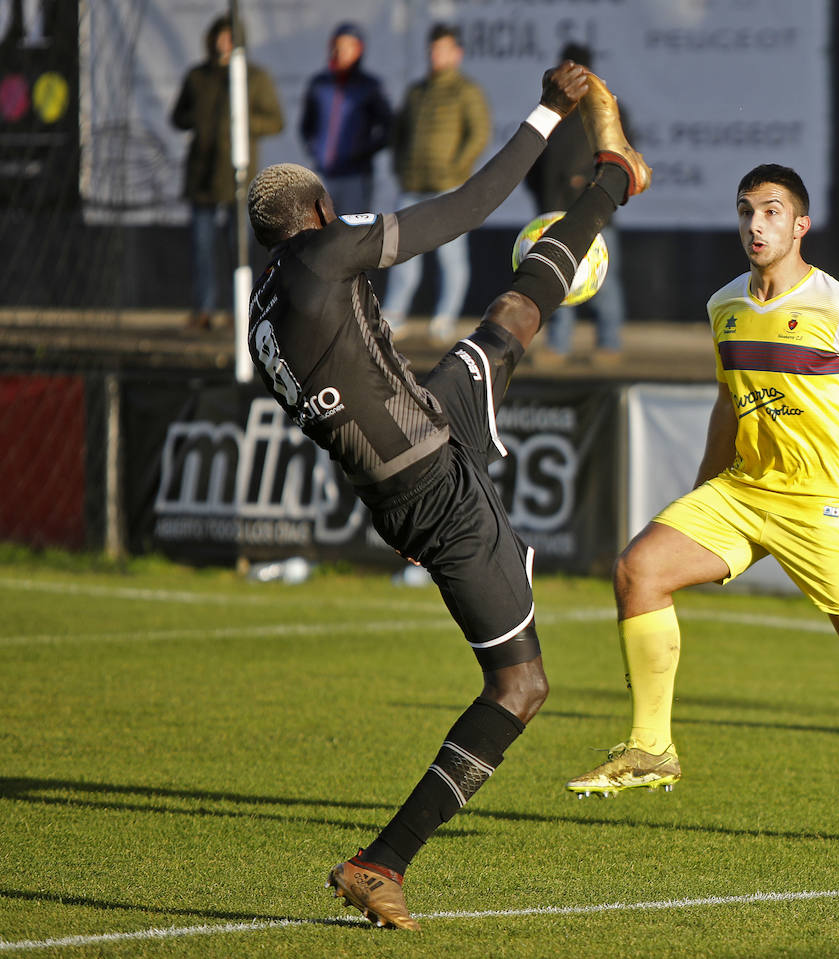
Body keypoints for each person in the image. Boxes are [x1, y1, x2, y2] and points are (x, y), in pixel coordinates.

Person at [245, 65, 649, 930]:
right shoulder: (325, 251)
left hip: (419, 436)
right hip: (433, 488)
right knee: (520, 686)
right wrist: (548, 111)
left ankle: (613, 176)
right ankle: (379, 863)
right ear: (319, 217)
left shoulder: (261, 312)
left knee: (510, 316)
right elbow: (467, 206)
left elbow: (336, 414)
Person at [565, 164, 839, 857]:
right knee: (639, 569)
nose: (756, 224)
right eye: (746, 211)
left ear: (800, 225)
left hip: (824, 508)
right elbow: (728, 403)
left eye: (772, 212)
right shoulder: (725, 306)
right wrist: (699, 495)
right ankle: (652, 746)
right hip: (745, 491)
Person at [170, 14, 283, 330]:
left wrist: (242, 124)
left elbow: (275, 121)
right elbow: (178, 117)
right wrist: (201, 120)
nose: (224, 43)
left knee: (241, 251)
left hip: (238, 176)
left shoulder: (254, 77)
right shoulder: (198, 76)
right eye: (220, 36)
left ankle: (245, 310)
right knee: (202, 250)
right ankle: (204, 308)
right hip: (203, 177)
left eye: (230, 37)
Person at [380, 24, 491, 343]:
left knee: (451, 257)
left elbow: (478, 133)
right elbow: (398, 134)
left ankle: (445, 317)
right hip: (412, 186)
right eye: (432, 49)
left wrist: (456, 168)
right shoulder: (417, 91)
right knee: (402, 253)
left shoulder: (466, 91)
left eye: (443, 49)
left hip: (448, 188)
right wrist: (401, 167)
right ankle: (396, 314)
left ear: (457, 54)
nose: (436, 55)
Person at [524, 43, 629, 368]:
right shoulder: (552, 110)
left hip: (595, 211)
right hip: (553, 212)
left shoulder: (606, 109)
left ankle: (609, 344)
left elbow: (623, 158)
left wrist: (586, 182)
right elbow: (531, 158)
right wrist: (543, 194)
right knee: (556, 280)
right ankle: (558, 346)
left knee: (604, 281)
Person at [299, 21, 393, 216]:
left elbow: (388, 128)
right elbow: (306, 125)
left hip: (355, 177)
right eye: (337, 45)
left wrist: (361, 151)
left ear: (358, 49)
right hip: (323, 175)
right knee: (322, 233)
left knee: (352, 235)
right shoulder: (319, 84)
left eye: (348, 46)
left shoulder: (369, 87)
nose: (340, 51)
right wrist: (315, 150)